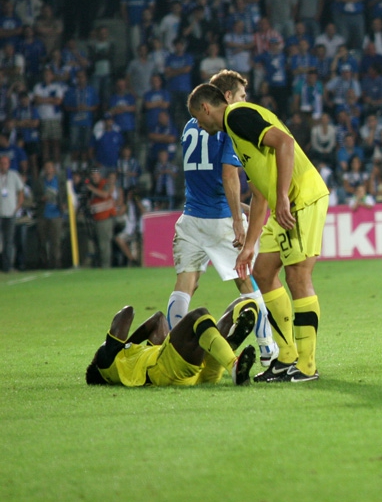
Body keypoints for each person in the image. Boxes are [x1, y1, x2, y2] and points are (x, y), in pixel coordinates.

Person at [187, 82, 330, 383]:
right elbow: (258, 195)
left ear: (206, 108)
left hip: (300, 199)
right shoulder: (235, 136)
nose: (199, 125)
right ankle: (286, 357)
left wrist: (282, 198)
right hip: (284, 202)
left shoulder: (238, 115)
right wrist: (249, 244)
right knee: (263, 272)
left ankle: (306, 365)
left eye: (198, 118)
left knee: (298, 276)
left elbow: (285, 144)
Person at [167, 70, 279, 368]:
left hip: (191, 218)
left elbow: (205, 178)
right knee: (246, 282)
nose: (245, 102)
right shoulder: (230, 127)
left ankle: (175, 352)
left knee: (185, 285)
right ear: (226, 97)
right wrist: (238, 219)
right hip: (219, 219)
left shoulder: (191, 126)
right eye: (242, 96)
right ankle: (269, 349)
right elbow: (228, 175)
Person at [85, 298, 258, 387]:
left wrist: (129, 346)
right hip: (164, 369)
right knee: (198, 315)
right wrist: (125, 344)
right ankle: (232, 364)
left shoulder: (131, 362)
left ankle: (226, 351)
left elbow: (158, 319)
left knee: (242, 304)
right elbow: (127, 312)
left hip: (197, 375)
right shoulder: (105, 360)